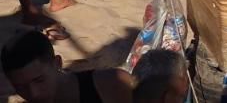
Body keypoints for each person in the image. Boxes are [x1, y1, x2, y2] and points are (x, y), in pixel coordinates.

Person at [1, 29, 133, 103]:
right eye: (20, 87)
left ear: (57, 63)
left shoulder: (111, 84)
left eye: (39, 80)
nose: (33, 94)